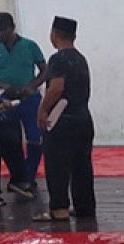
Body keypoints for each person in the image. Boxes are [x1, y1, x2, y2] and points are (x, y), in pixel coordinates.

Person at [34, 17, 95, 223]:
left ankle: (59, 208)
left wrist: (43, 110)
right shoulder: (81, 58)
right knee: (82, 165)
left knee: (57, 165)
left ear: (53, 35)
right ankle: (84, 206)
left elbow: (57, 87)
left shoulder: (58, 59)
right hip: (83, 119)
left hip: (63, 121)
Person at [0, 12, 46, 196]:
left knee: (34, 138)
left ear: (12, 27)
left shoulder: (30, 46)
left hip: (29, 99)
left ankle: (28, 176)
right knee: (12, 141)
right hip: (5, 100)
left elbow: (45, 70)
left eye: (2, 30)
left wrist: (32, 86)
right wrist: (3, 85)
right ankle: (19, 178)